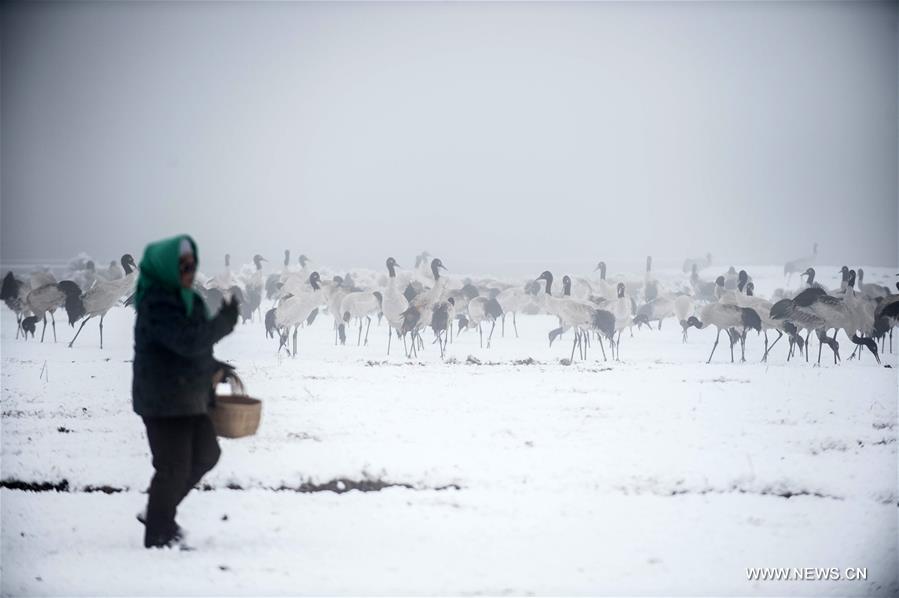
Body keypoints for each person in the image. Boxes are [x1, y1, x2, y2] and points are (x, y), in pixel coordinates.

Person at [131, 234, 239, 549]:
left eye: (192, 264)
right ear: (166, 267)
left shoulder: (187, 299)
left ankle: (156, 511)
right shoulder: (157, 303)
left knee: (207, 453)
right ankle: (159, 536)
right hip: (163, 400)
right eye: (182, 264)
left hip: (189, 397)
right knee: (173, 467)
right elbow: (187, 341)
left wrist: (215, 366)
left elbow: (194, 348)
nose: (189, 270)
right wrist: (224, 323)